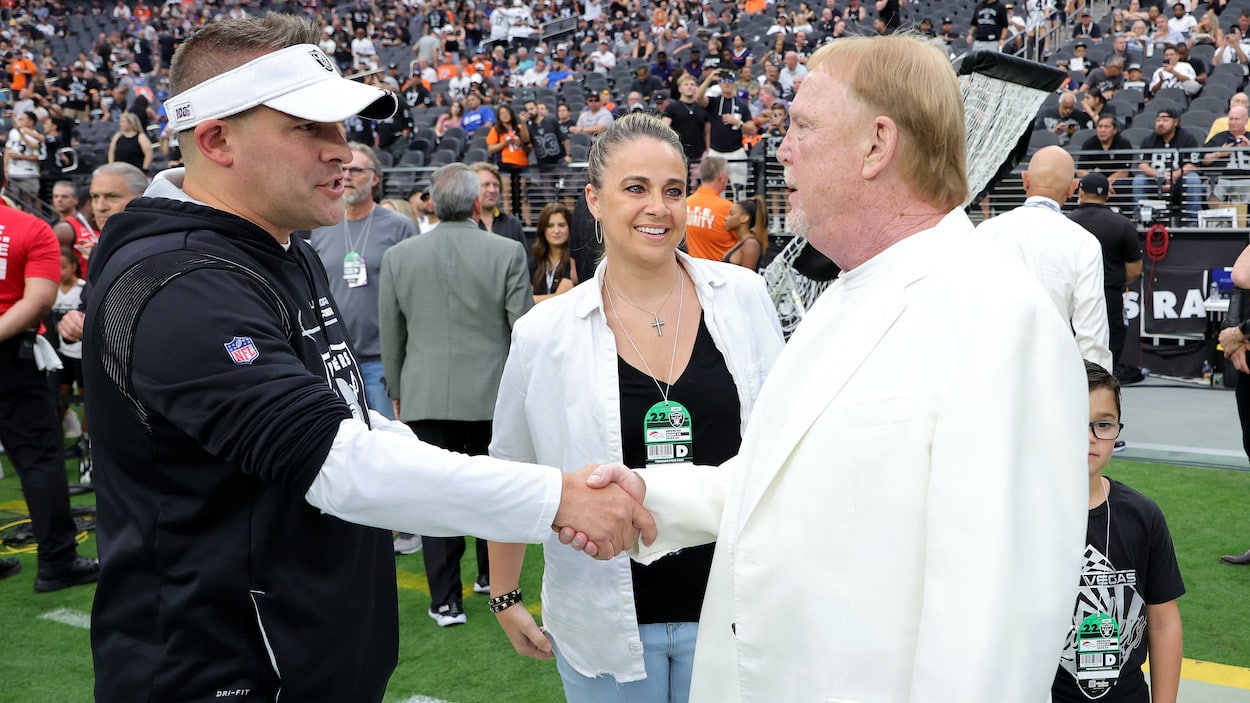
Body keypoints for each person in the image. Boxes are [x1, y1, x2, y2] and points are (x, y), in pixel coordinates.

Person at [82, 15, 653, 702]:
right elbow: (334, 461)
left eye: (341, 129)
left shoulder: (276, 249)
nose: (341, 151)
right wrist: (553, 498)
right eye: (309, 128)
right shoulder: (181, 283)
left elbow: (353, 422)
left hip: (303, 660)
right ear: (215, 139)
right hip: (223, 674)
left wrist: (524, 485)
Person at [575, 35, 1089, 701]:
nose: (781, 148)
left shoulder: (999, 316)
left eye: (802, 125)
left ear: (877, 145)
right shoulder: (844, 295)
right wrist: (655, 498)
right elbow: (784, 483)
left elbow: (988, 627)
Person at [489, 112, 783, 703]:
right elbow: (515, 470)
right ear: (594, 200)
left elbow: (781, 444)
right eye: (636, 188)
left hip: (734, 614)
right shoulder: (545, 332)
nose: (659, 207)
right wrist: (504, 594)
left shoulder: (745, 298)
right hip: (603, 622)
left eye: (673, 191)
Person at [377, 162, 533, 627]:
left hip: (425, 395)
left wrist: (399, 389)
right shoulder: (505, 252)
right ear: (476, 201)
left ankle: (446, 600)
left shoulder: (400, 257)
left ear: (431, 200)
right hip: (491, 395)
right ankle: (491, 576)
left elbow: (392, 333)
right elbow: (522, 329)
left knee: (436, 499)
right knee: (491, 489)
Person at [1051, 360, 1185, 703]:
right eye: (1075, 421)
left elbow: (1163, 622)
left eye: (1104, 424)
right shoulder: (1022, 518)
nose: (1090, 438)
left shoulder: (1142, 516)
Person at [0, 197, 101, 591]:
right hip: (10, 354)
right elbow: (38, 299)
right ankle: (58, 561)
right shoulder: (29, 227)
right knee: (40, 459)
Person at [975, 146, 1113, 372]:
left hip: (990, 369)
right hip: (1053, 373)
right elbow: (1092, 335)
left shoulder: (986, 232)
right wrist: (1099, 393)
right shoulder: (1084, 243)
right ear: (1072, 188)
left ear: (1025, 180)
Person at [309, 142, 418, 422]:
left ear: (375, 178)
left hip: (383, 359)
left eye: (356, 170)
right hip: (337, 357)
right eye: (343, 169)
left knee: (392, 445)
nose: (347, 176)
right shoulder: (323, 225)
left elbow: (414, 295)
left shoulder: (398, 226)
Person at [1068, 173, 1143, 378]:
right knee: (1108, 349)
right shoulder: (1123, 224)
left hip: (1073, 296)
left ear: (1080, 192)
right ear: (1108, 195)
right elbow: (1135, 269)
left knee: (1071, 348)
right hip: (1109, 296)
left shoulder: (1067, 223)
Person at [1132, 107, 1203, 226]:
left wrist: (1174, 175)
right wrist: (1160, 176)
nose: (1160, 123)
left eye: (1165, 120)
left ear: (1176, 122)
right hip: (1156, 182)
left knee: (1193, 178)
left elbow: (1192, 165)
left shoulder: (1187, 138)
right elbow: (1142, 165)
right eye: (1158, 120)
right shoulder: (1149, 139)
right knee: (1139, 180)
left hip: (1179, 183)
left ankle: (1193, 221)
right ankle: (1141, 219)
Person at [684, 155, 735, 262]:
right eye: (727, 175)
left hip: (694, 268)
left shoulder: (687, 203)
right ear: (721, 177)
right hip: (721, 270)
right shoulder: (727, 208)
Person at [486, 104, 531, 221]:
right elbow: (491, 148)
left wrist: (524, 123)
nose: (505, 115)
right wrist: (505, 143)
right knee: (508, 196)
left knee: (524, 196)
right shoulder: (496, 130)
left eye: (506, 112)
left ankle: (528, 223)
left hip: (521, 164)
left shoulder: (519, 128)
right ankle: (509, 222)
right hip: (505, 165)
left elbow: (526, 140)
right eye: (502, 114)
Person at [470, 161, 527, 250]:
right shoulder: (463, 224)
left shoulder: (512, 224)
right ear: (471, 188)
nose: (492, 190)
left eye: (496, 185)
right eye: (486, 185)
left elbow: (522, 260)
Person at [529, 202, 578, 302]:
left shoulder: (574, 259)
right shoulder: (535, 259)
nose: (556, 230)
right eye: (550, 225)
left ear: (569, 227)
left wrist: (530, 300)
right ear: (543, 229)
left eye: (561, 225)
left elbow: (561, 298)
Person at [1202, 105, 1250, 203]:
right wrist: (1218, 154)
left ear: (1246, 121)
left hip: (1246, 179)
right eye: (1231, 119)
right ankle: (1216, 217)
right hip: (1221, 179)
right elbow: (1203, 160)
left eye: (1237, 119)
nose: (1233, 122)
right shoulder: (1218, 138)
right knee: (1213, 189)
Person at [5, 110, 46, 196]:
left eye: (22, 119)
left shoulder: (36, 136)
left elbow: (37, 156)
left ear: (31, 122)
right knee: (15, 199)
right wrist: (6, 168)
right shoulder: (13, 132)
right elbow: (7, 150)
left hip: (29, 173)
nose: (19, 122)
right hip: (13, 172)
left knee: (30, 199)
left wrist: (21, 156)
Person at [722, 194, 767, 271]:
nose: (726, 218)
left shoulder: (750, 244)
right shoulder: (742, 241)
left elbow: (747, 279)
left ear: (744, 218)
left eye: (731, 214)